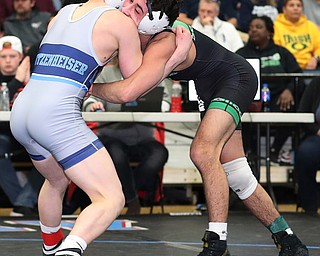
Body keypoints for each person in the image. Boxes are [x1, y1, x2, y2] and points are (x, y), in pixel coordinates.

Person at [92, 0, 309, 255]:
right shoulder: (142, 33)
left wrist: (87, 88)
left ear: (155, 20)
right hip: (211, 86)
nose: (127, 10)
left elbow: (129, 91)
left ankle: (217, 243)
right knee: (237, 173)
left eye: (137, 9)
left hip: (234, 78)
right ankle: (290, 241)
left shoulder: (165, 41)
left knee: (203, 152)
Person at [9, 1, 187, 256]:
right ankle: (68, 251)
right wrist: (174, 59)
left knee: (56, 179)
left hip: (23, 111)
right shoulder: (122, 24)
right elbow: (135, 86)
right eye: (132, 6)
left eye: (136, 9)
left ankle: (51, 247)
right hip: (55, 116)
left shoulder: (65, 12)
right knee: (111, 198)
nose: (129, 10)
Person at [85, 61, 170, 215]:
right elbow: (90, 97)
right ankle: (133, 200)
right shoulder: (106, 74)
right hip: (112, 135)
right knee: (116, 154)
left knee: (160, 154)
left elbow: (165, 99)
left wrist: (160, 106)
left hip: (144, 139)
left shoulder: (153, 71)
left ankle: (124, 195)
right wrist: (93, 105)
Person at [236, 15, 304, 164]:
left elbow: (297, 76)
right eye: (251, 28)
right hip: (251, 99)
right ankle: (250, 152)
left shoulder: (282, 52)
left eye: (259, 27)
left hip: (278, 98)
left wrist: (289, 90)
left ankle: (275, 150)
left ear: (270, 32)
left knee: (291, 106)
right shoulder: (241, 53)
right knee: (239, 111)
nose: (253, 30)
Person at [0, 35, 40, 216]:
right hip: (4, 136)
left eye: (12, 56)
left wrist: (28, 81)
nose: (8, 61)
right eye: (3, 57)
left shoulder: (33, 79)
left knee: (53, 150)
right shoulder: (17, 79)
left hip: (28, 133)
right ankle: (22, 204)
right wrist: (16, 80)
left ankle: (25, 201)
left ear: (21, 58)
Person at [295, 77, 320, 217]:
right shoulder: (316, 84)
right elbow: (303, 112)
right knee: (305, 153)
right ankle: (309, 206)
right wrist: (317, 130)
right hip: (318, 135)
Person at [273, 0, 320, 70]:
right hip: (286, 67)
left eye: (299, 6)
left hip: (310, 67)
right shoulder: (275, 27)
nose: (296, 8)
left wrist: (315, 58)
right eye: (291, 5)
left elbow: (318, 46)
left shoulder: (311, 26)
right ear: (284, 9)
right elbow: (276, 49)